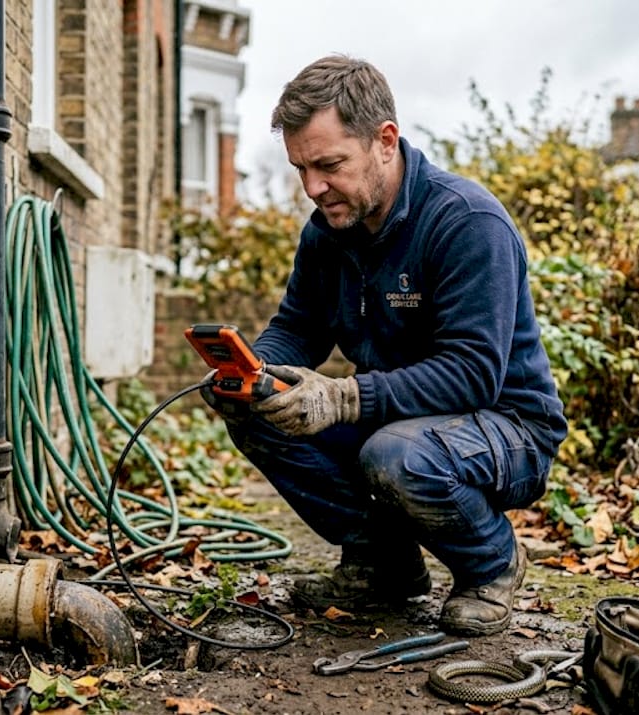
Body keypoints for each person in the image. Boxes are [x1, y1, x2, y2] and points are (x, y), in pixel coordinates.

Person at [202, 54, 567, 636]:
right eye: (301, 168)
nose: (313, 188)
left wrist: (343, 398)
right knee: (261, 416)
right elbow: (299, 327)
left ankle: (491, 563)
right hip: (401, 420)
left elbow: (473, 373)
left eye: (329, 165)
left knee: (396, 456)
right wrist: (258, 372)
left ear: (385, 141)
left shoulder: (467, 223)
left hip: (508, 426)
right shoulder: (329, 232)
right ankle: (383, 566)